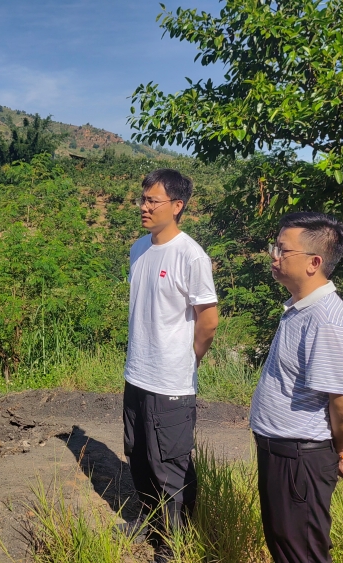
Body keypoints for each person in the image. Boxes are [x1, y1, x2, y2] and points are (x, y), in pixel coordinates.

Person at [250, 212, 343, 563]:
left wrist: (339, 451)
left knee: (301, 554)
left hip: (300, 459)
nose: (274, 256)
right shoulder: (301, 309)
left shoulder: (327, 320)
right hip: (284, 453)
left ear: (314, 262)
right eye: (275, 247)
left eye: (283, 250)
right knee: (285, 547)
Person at [121, 169, 219, 561]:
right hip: (137, 374)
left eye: (152, 201)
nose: (144, 207)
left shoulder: (191, 255)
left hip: (171, 382)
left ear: (177, 206)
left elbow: (208, 320)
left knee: (170, 466)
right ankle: (151, 522)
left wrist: (187, 359)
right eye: (143, 199)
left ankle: (174, 543)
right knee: (139, 455)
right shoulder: (138, 249)